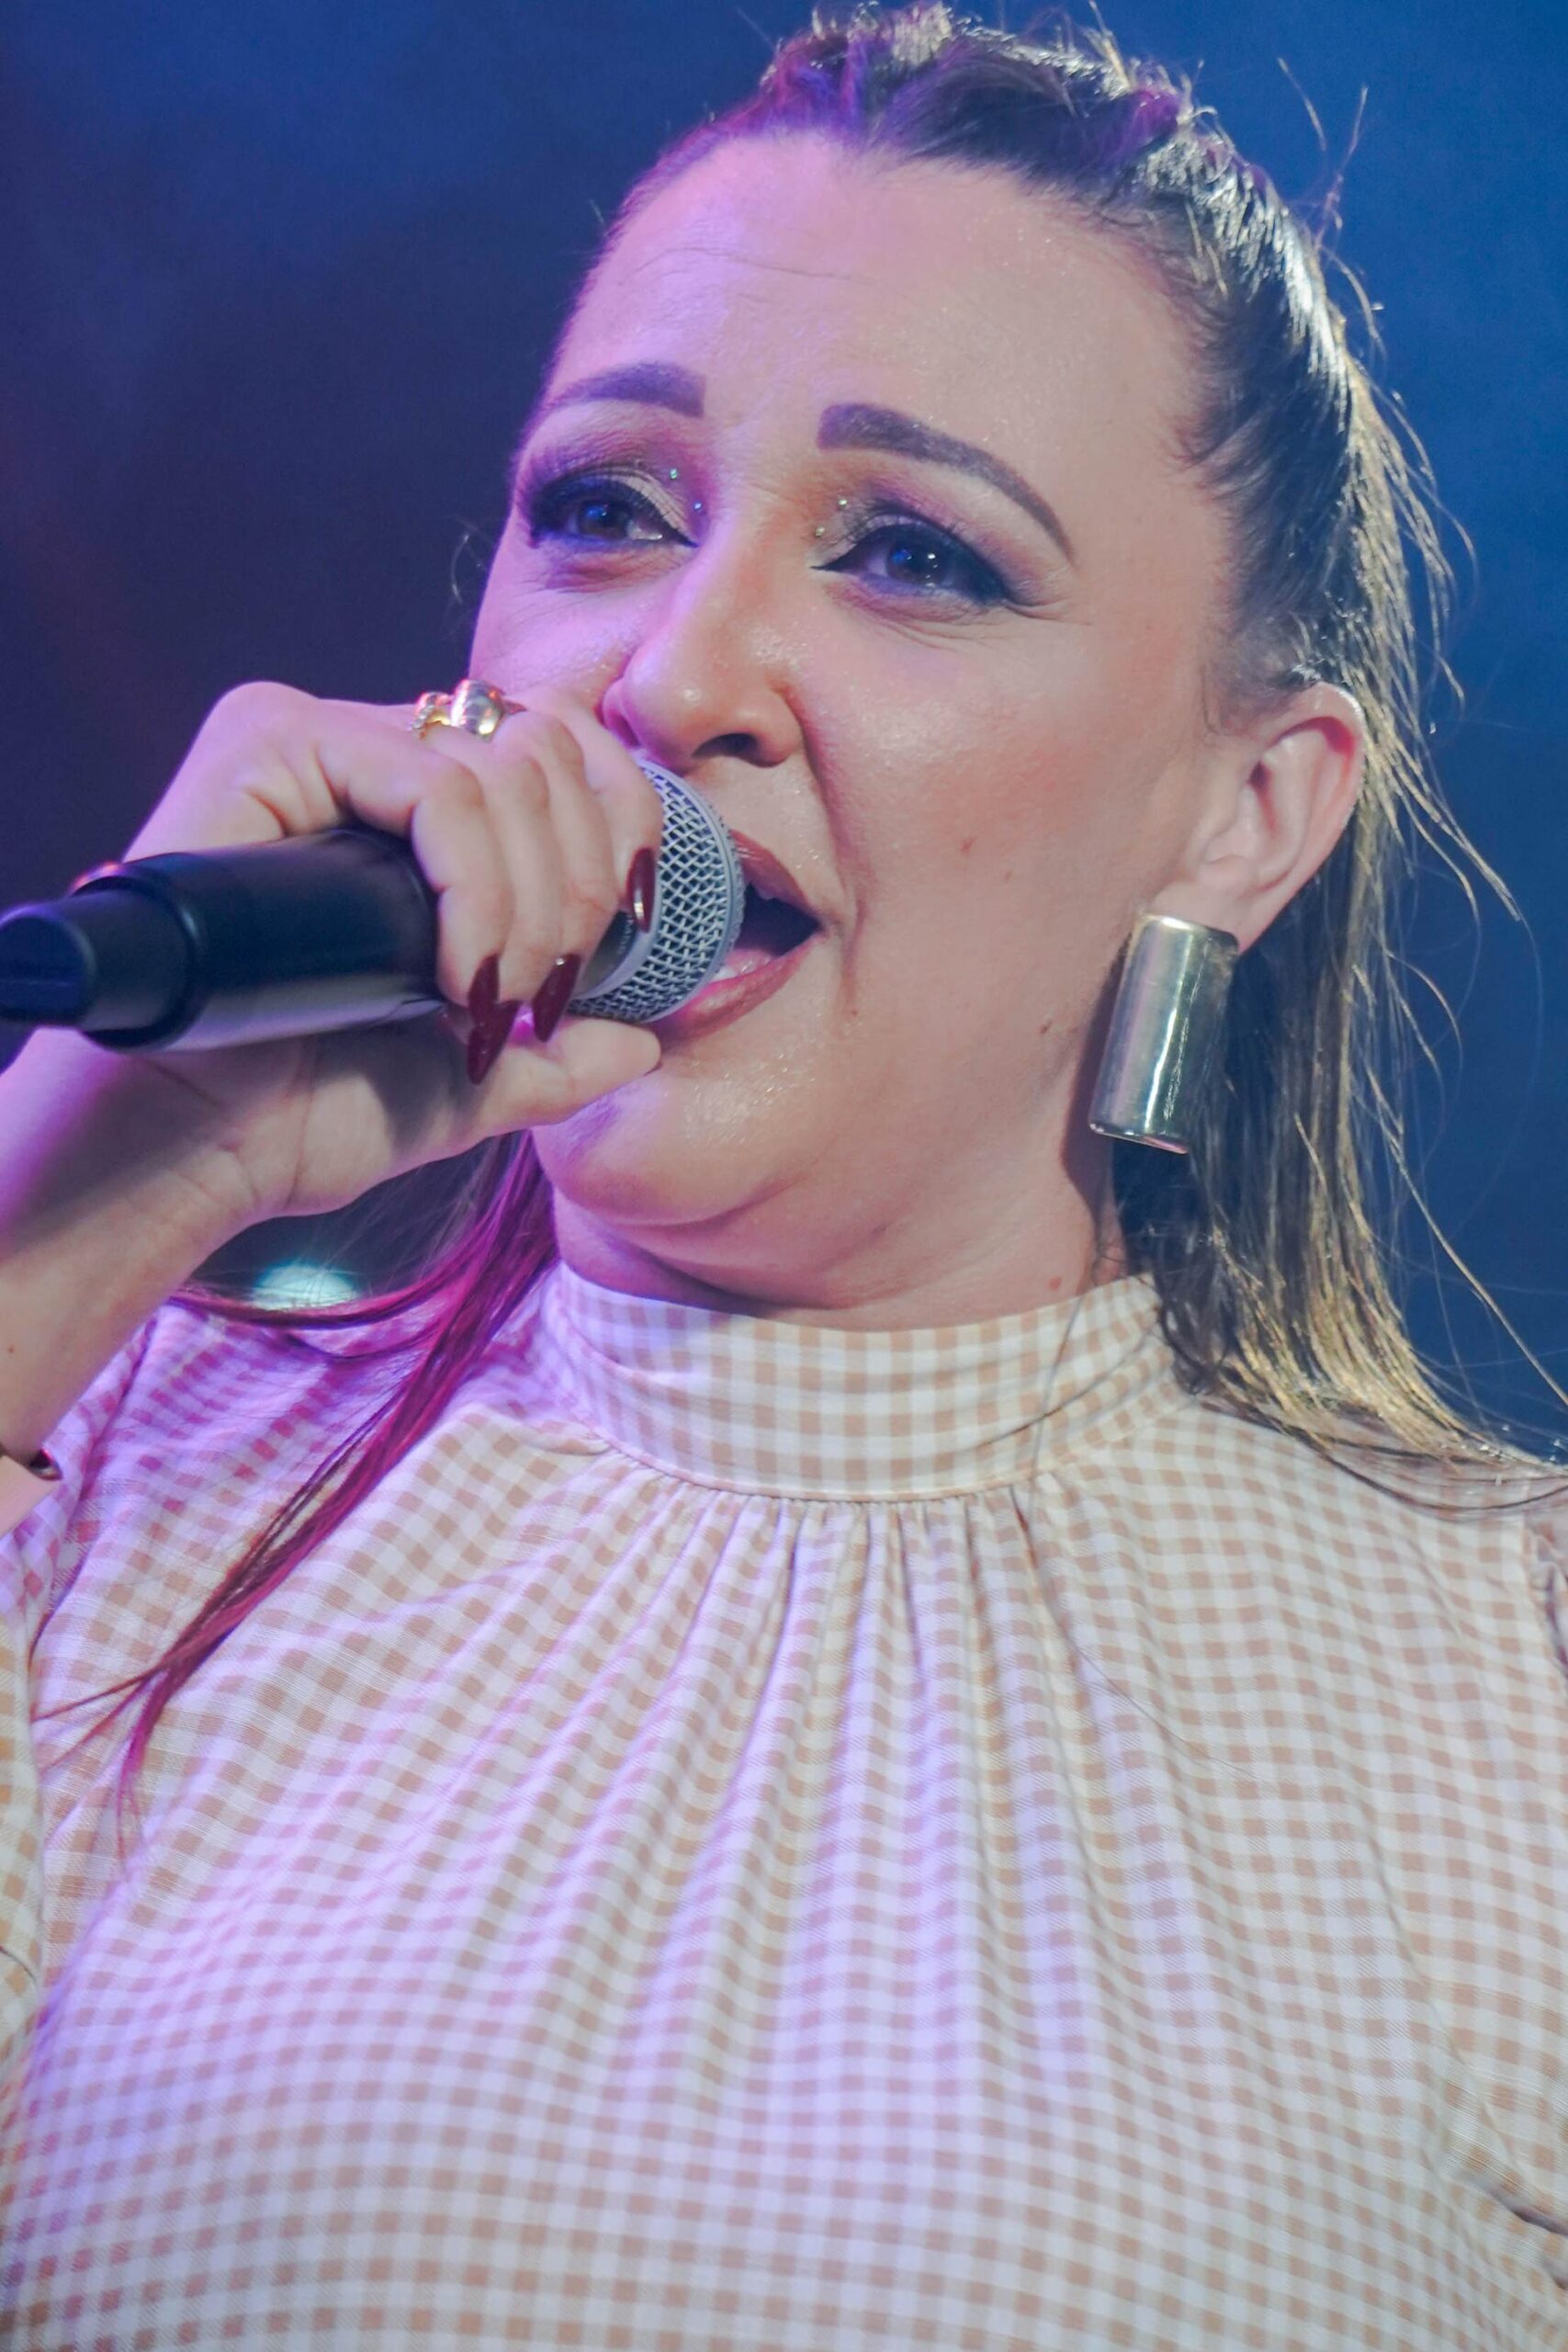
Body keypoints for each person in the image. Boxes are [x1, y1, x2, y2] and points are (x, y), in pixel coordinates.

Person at [1, 6, 1564, 2346]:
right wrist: (82, 1210)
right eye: (605, 509)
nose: (673, 668)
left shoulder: (1508, 1670)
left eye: (912, 552)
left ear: (1242, 814)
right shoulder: (91, 1477)